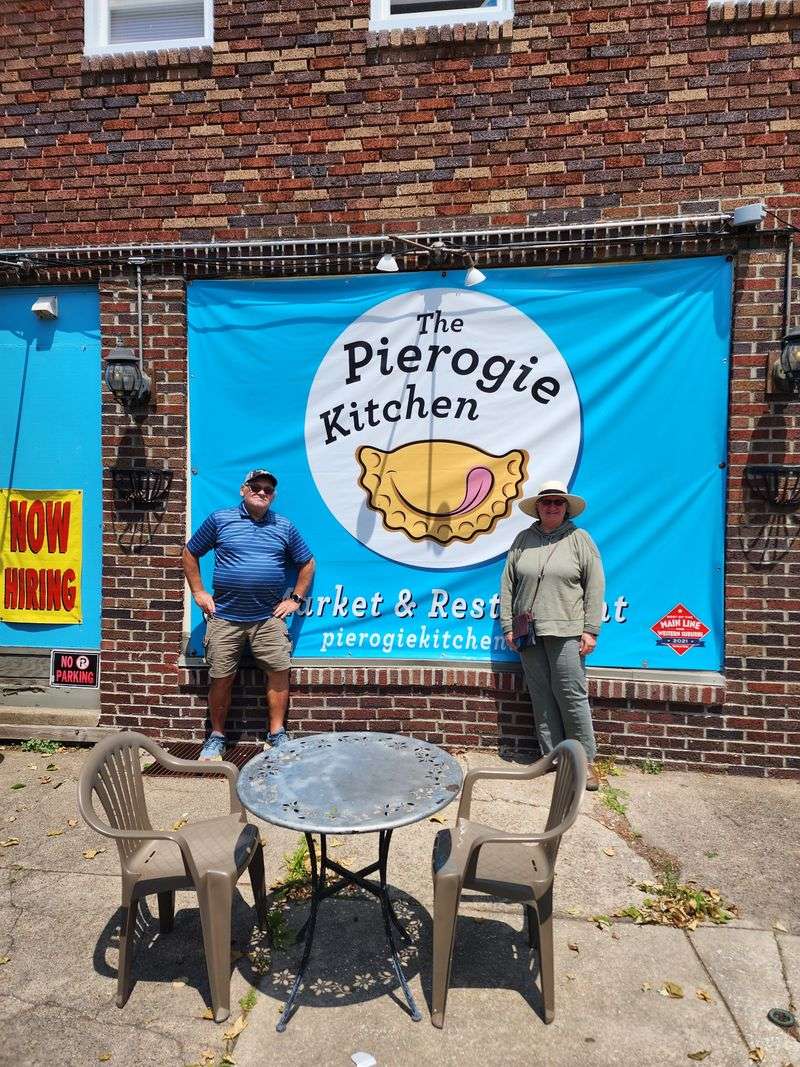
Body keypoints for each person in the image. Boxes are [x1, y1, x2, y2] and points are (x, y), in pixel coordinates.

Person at [182, 468, 315, 760]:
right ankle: (217, 736)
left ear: (274, 495)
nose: (262, 492)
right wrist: (199, 592)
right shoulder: (220, 519)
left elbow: (307, 563)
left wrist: (295, 598)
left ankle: (277, 733)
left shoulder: (284, 526)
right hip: (225, 618)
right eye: (256, 486)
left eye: (268, 489)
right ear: (243, 489)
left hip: (268, 619)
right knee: (221, 676)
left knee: (279, 672)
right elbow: (190, 553)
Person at [499, 480, 604, 790]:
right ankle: (553, 757)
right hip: (528, 632)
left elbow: (595, 586)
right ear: (538, 507)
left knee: (571, 696)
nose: (552, 506)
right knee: (541, 695)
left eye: (558, 502)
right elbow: (508, 584)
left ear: (566, 508)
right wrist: (508, 625)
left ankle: (584, 762)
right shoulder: (523, 539)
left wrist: (590, 629)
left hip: (567, 631)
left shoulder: (580, 539)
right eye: (547, 502)